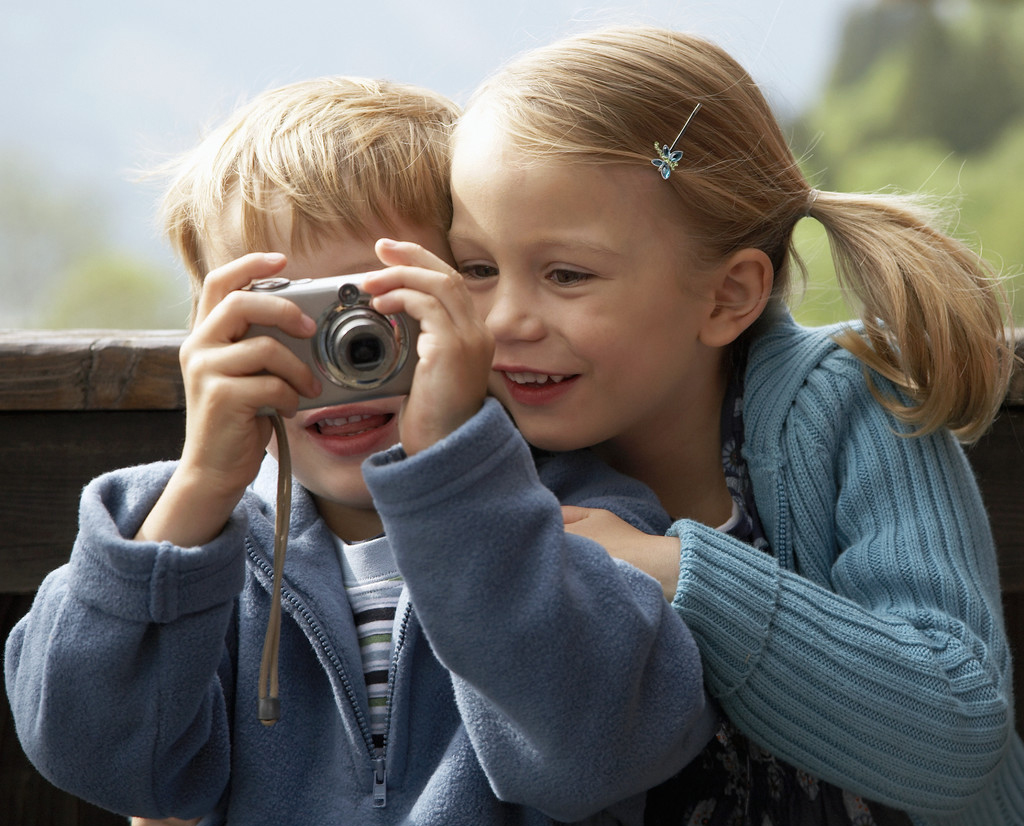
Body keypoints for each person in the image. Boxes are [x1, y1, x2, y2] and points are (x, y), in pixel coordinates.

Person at [4, 75, 717, 825]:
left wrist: (458, 480)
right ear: (211, 334)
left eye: (380, 309)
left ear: (470, 308)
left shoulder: (584, 525)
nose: (341, 354)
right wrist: (200, 490)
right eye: (286, 311)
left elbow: (600, 752)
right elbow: (88, 755)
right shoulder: (183, 540)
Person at [440, 24, 1024, 826]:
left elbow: (955, 732)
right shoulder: (492, 461)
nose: (505, 319)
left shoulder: (853, 407)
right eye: (476, 269)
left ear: (728, 296)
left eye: (566, 274)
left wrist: (674, 570)